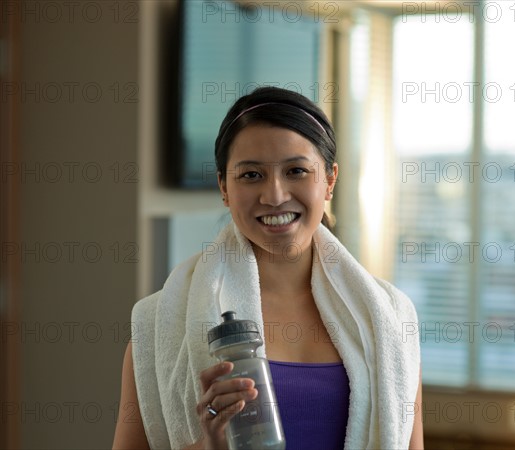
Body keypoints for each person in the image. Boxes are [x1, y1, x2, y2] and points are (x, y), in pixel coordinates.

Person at [113, 87, 423, 450]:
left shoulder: (390, 318)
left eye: (296, 171)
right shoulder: (161, 326)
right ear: (223, 187)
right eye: (251, 175)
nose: (275, 195)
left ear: (330, 181)